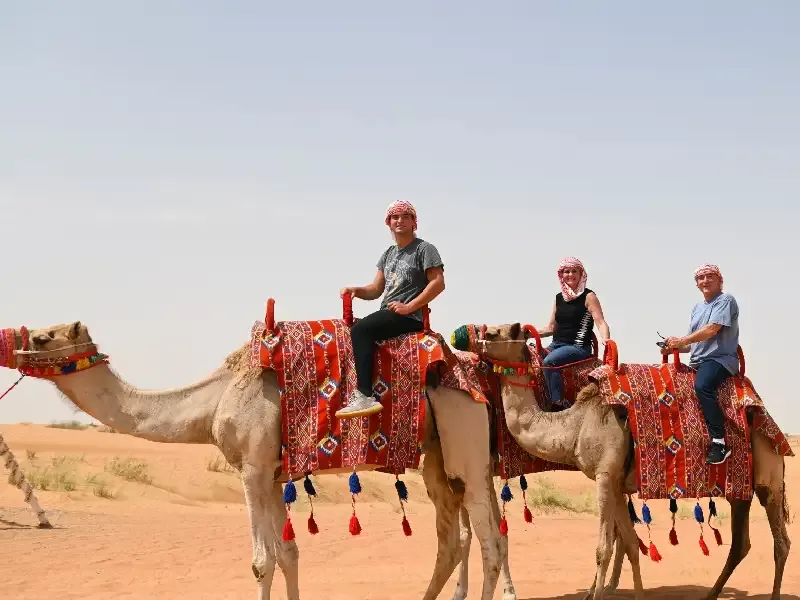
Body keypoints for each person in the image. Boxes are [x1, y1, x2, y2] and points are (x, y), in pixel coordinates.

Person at [335, 200, 445, 419]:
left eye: (405, 216)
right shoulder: (388, 254)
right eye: (395, 217)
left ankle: (364, 395)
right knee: (356, 330)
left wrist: (410, 306)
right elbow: (376, 289)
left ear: (414, 222)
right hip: (390, 312)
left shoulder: (424, 249)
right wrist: (356, 289)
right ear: (388, 223)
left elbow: (438, 283)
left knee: (361, 330)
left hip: (409, 316)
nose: (399, 221)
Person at [662, 264, 739, 465]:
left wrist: (682, 341)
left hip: (719, 360)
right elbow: (694, 343)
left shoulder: (725, 300)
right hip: (697, 361)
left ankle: (719, 442)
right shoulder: (697, 308)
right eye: (700, 278)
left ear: (719, 280)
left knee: (702, 386)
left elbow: (712, 330)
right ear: (696, 283)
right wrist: (673, 348)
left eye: (709, 276)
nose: (704, 281)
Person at [537, 257, 610, 408]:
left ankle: (557, 403)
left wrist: (606, 339)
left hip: (577, 347)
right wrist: (527, 333)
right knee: (530, 356)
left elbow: (601, 322)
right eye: (566, 271)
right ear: (561, 275)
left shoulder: (589, 296)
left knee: (550, 362)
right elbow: (551, 328)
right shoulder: (559, 298)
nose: (570, 275)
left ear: (581, 274)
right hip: (556, 345)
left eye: (574, 271)